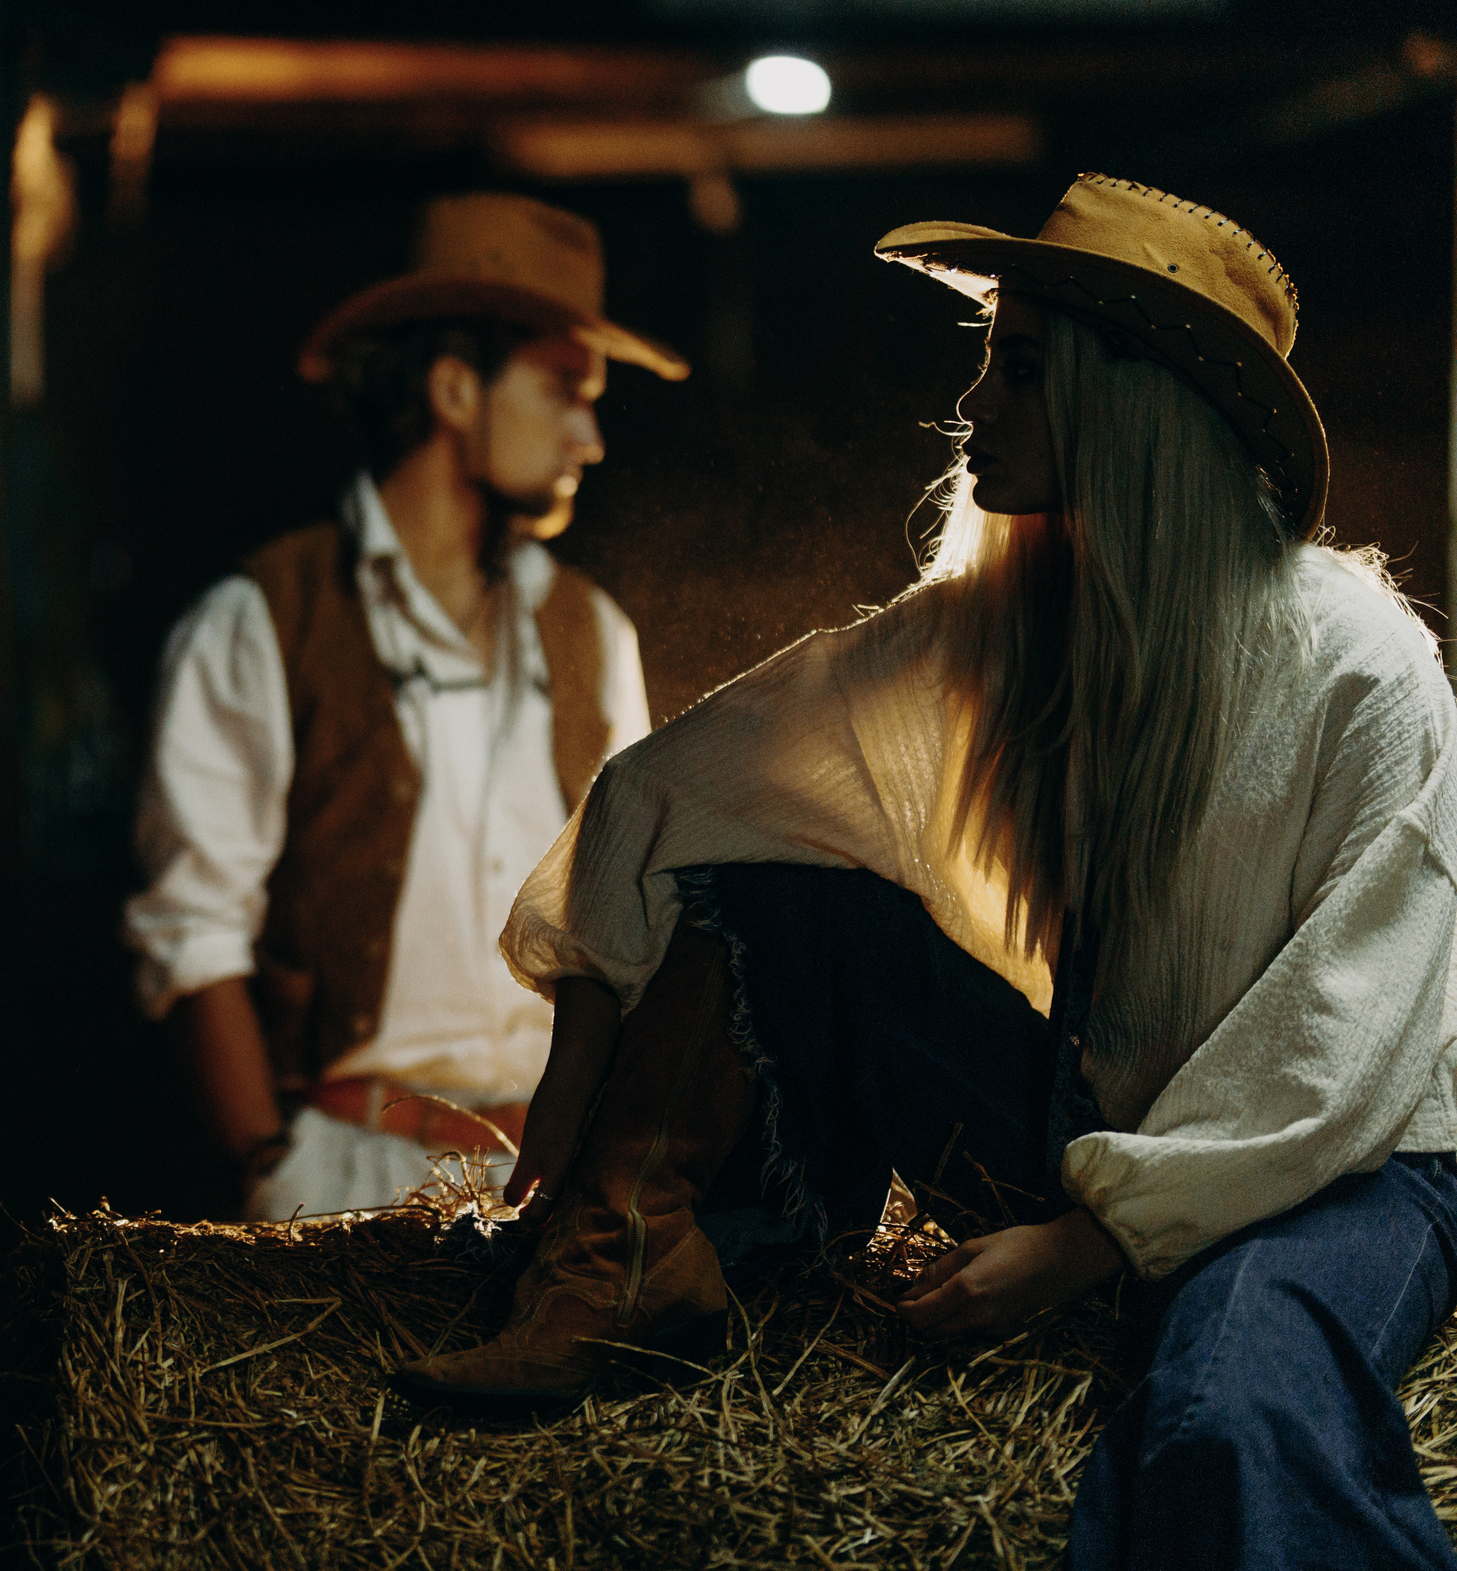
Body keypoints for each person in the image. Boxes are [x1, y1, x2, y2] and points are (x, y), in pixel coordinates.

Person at [392, 174, 1457, 1569]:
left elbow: (1342, 1035)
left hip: (1348, 1161)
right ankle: (627, 1260)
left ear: (1128, 401)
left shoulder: (1365, 666)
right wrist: (584, 1072)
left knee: (1232, 1414)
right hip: (1112, 1125)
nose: (973, 407)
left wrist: (1087, 1240)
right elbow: (687, 786)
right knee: (783, 876)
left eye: (1019, 366)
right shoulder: (1025, 626)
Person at [125, 192, 690, 1221]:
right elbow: (192, 932)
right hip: (344, 1173)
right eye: (565, 389)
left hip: (548, 1182)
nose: (590, 435)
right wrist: (269, 1164)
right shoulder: (266, 619)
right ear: (453, 388)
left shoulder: (588, 631)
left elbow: (634, 926)